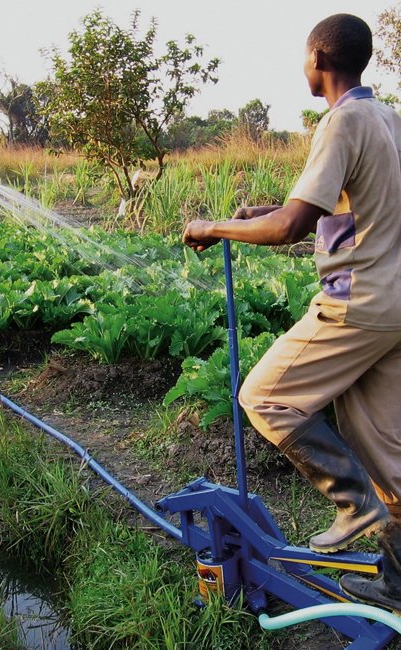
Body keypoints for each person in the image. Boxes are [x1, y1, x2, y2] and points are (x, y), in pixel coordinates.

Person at [183, 14, 401, 611]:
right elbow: (347, 207)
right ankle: (398, 585)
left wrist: (212, 225)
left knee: (264, 397)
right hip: (397, 307)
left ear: (320, 60)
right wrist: (262, 209)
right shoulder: (387, 119)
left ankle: (352, 503)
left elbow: (291, 226)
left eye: (304, 59)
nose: (303, 68)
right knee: (389, 453)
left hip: (355, 303)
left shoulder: (341, 121)